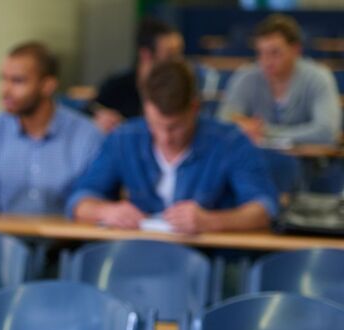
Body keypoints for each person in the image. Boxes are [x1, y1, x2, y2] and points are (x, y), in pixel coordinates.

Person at [68, 59, 278, 234]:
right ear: (146, 108)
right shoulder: (125, 138)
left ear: (195, 108)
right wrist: (106, 211)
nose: (165, 138)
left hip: (210, 258)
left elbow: (264, 209)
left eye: (175, 127)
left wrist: (211, 221)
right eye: (156, 126)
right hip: (138, 254)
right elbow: (80, 200)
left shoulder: (230, 141)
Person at [0, 41, 103, 215]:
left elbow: (91, 201)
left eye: (18, 81)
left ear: (48, 86)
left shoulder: (87, 135)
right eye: (3, 79)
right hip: (2, 240)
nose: (5, 90)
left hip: (69, 240)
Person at [218, 14, 342, 146]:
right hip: (257, 162)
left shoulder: (318, 77)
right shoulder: (246, 77)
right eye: (261, 53)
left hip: (307, 163)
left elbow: (327, 131)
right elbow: (223, 122)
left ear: (296, 50)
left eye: (275, 53)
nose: (266, 61)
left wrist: (267, 132)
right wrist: (242, 125)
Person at [91, 18, 185, 133]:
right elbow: (90, 111)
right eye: (170, 55)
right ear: (146, 55)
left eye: (179, 53)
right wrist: (99, 118)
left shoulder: (182, 88)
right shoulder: (117, 86)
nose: (179, 61)